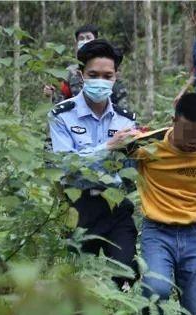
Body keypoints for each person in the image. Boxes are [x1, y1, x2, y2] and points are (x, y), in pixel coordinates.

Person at [116, 93, 196, 315]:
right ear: (173, 121)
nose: (192, 144)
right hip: (157, 232)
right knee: (156, 289)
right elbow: (112, 158)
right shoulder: (147, 145)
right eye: (186, 136)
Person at [47, 39, 139, 289]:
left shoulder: (126, 119)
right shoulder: (61, 115)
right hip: (78, 207)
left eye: (107, 75)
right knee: (75, 284)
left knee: (125, 276)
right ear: (81, 75)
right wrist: (108, 147)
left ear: (116, 76)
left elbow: (133, 167)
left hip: (116, 206)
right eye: (93, 74)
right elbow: (65, 164)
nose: (101, 81)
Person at [43, 24, 129, 108]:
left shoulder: (109, 67)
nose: (84, 41)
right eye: (81, 38)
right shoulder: (69, 72)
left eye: (88, 37)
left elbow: (121, 99)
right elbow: (61, 101)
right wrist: (50, 96)